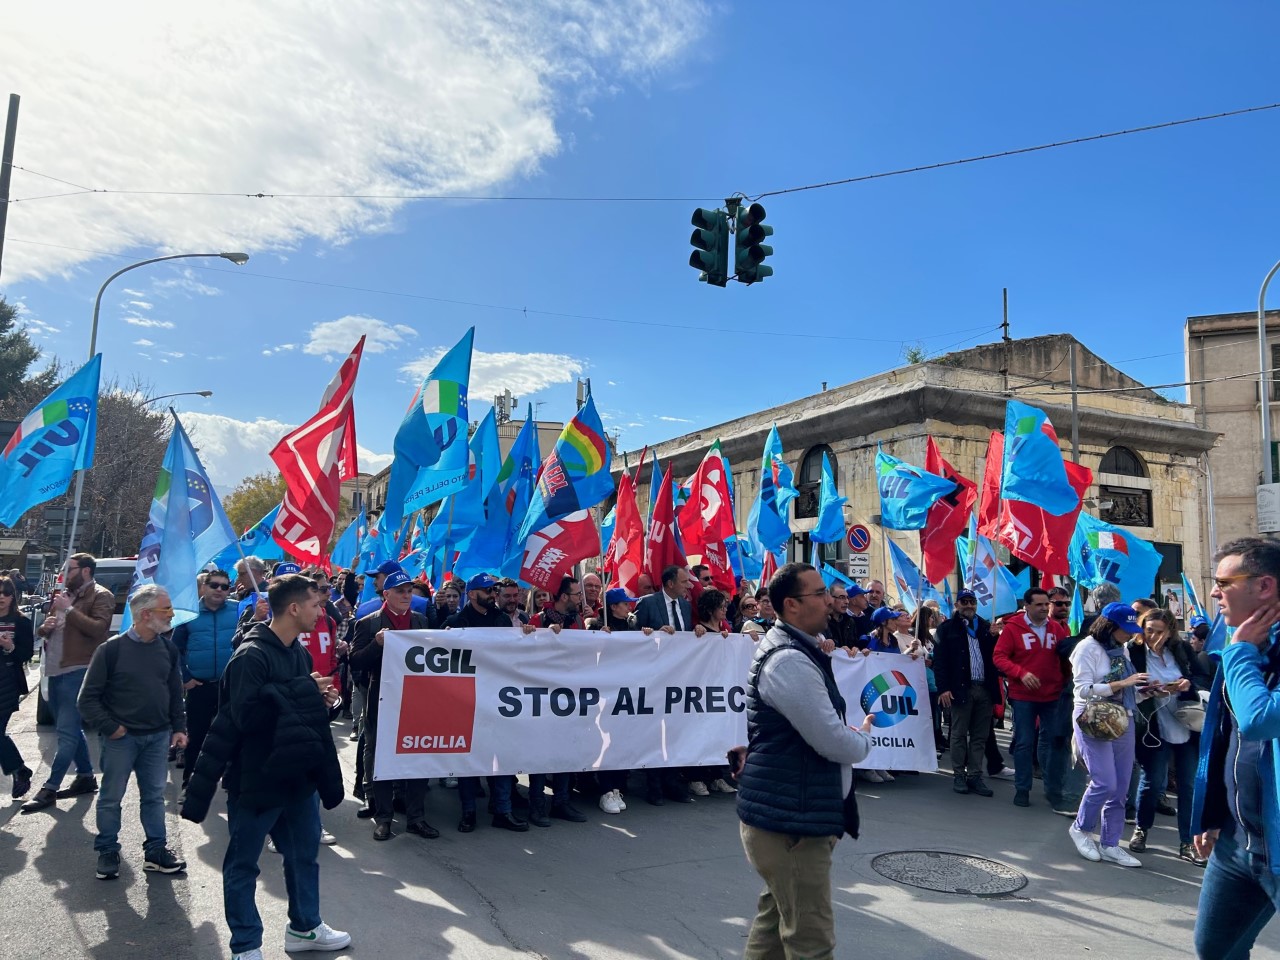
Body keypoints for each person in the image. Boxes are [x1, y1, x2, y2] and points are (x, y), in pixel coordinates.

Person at [180, 573, 348, 960]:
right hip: (257, 779)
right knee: (243, 865)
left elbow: (299, 712)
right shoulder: (250, 656)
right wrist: (305, 692)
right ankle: (246, 946)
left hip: (298, 776)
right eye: (315, 604)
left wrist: (325, 702)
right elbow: (247, 718)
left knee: (304, 856)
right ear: (294, 608)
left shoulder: (298, 653)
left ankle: (305, 927)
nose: (320, 610)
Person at [737, 562, 874, 960]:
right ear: (792, 605)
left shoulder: (799, 649)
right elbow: (832, 740)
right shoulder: (789, 661)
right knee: (811, 943)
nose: (830, 601)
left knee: (773, 930)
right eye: (819, 593)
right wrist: (863, 739)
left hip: (791, 814)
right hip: (791, 824)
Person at [1191, 538, 1280, 957]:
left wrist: (1240, 651)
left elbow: (1259, 720)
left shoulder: (1240, 647)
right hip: (1236, 841)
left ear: (1264, 586)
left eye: (1224, 583)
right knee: (1215, 950)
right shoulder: (1241, 641)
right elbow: (1226, 737)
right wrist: (1212, 815)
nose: (1214, 592)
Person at [77, 586, 187, 880]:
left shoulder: (168, 649)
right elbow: (87, 699)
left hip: (157, 737)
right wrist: (111, 728)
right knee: (111, 797)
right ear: (146, 614)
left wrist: (179, 727)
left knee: (154, 797)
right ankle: (107, 850)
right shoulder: (110, 650)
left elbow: (174, 693)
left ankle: (156, 852)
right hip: (121, 740)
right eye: (166, 609)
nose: (172, 614)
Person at [21, 553, 115, 813]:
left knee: (66, 733)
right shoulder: (65, 595)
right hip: (55, 671)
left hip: (79, 671)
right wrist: (46, 627)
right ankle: (85, 777)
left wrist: (69, 610)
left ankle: (49, 788)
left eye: (69, 569)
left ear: (85, 571)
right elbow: (44, 631)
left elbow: (98, 629)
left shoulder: (101, 595)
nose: (64, 574)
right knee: (70, 729)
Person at [348, 570, 437, 842]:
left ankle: (416, 818)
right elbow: (355, 661)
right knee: (382, 756)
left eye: (409, 591)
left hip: (416, 699)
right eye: (400, 591)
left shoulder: (420, 620)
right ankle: (384, 818)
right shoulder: (369, 623)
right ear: (386, 594)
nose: (406, 596)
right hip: (382, 698)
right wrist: (376, 644)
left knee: (418, 755)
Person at [445, 573, 535, 832]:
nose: (492, 594)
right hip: (467, 700)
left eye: (494, 590)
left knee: (501, 755)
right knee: (468, 758)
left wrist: (526, 635)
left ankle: (502, 809)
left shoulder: (502, 620)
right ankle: (468, 812)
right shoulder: (455, 623)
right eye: (487, 590)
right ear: (472, 594)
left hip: (497, 697)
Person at [1067, 602, 1149, 868]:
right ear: (1109, 626)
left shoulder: (1121, 648)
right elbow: (1082, 690)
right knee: (1104, 782)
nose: (1130, 634)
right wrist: (1122, 683)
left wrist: (1150, 690)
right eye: (1125, 629)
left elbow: (1128, 690)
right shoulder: (1086, 648)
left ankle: (1111, 843)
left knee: (1121, 786)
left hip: (1122, 716)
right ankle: (1081, 829)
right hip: (1093, 717)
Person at [1126, 608, 1202, 864]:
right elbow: (1126, 685)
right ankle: (1141, 828)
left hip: (1186, 722)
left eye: (1160, 632)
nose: (1154, 636)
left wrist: (1187, 684)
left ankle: (1187, 842)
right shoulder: (1133, 651)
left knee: (1188, 785)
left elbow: (1200, 677)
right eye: (1149, 630)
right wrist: (1146, 690)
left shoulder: (1181, 650)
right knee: (1153, 780)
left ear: (1170, 632)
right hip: (1153, 724)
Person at [994, 587, 1068, 808]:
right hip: (1023, 696)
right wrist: (1021, 673)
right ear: (1026, 606)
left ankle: (1053, 789)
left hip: (1053, 695)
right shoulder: (1013, 628)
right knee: (1024, 743)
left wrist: (1067, 682)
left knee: (1054, 742)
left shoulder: (1056, 628)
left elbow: (1065, 659)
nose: (1044, 608)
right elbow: (999, 657)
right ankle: (1022, 789)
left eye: (1047, 604)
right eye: (1039, 604)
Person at [172, 568, 239, 796]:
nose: (219, 590)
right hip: (199, 686)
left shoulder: (237, 610)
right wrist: (185, 677)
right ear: (204, 587)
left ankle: (232, 782)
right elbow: (175, 649)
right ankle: (190, 784)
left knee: (232, 735)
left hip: (229, 686)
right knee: (196, 736)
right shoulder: (189, 613)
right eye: (214, 585)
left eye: (225, 586)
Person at [934, 590, 999, 798]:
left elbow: (997, 656)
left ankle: (975, 775)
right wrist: (944, 688)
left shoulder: (986, 627)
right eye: (964, 602)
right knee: (959, 734)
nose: (969, 605)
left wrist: (996, 637)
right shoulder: (946, 628)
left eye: (972, 602)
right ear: (957, 605)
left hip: (984, 688)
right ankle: (959, 775)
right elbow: (940, 661)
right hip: (960, 688)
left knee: (980, 736)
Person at [0, 574, 35, 798]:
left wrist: (10, 647)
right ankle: (20, 769)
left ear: (13, 596)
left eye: (5, 593)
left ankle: (20, 770)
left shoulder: (21, 621)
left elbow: (27, 653)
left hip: (7, 683)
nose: (1, 597)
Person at [633, 565, 700, 635]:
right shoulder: (647, 603)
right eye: (684, 582)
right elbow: (634, 633)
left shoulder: (686, 605)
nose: (688, 585)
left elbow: (687, 633)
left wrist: (696, 629)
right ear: (670, 584)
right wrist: (657, 634)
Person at [825, 584, 861, 649]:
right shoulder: (822, 622)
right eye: (841, 597)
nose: (847, 602)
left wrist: (856, 649)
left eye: (847, 598)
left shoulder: (850, 622)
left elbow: (855, 644)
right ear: (830, 599)